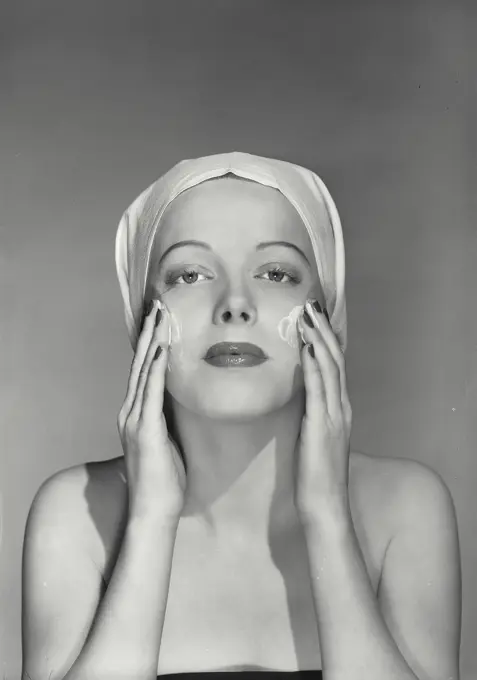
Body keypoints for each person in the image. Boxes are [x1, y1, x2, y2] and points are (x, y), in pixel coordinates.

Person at [21, 152, 461, 680]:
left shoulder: (407, 509)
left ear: (329, 310)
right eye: (189, 274)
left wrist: (327, 516)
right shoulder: (75, 517)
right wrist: (151, 521)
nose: (234, 303)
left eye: (276, 272)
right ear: (142, 323)